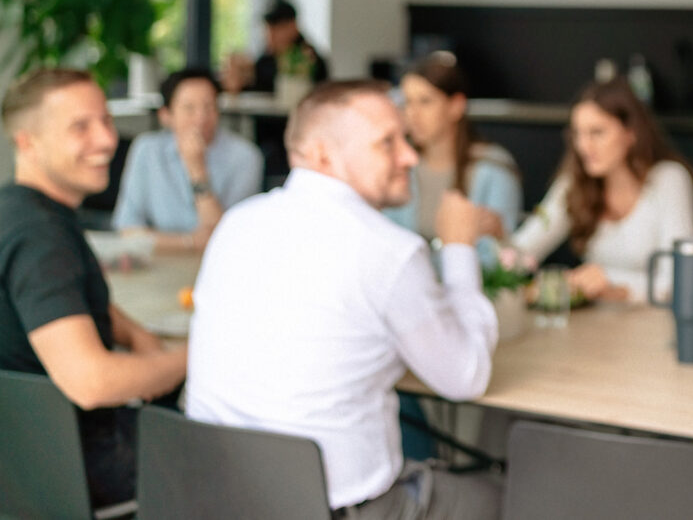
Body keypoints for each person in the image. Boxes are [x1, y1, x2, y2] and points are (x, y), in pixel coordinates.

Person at [185, 80, 501, 518]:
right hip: (330, 508)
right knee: (504, 496)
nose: (409, 156)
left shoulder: (237, 223)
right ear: (321, 153)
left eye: (405, 139)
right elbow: (466, 376)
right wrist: (461, 246)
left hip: (216, 497)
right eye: (387, 143)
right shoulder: (387, 251)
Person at [0, 68, 188, 508]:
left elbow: (64, 301)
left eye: (105, 121)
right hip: (73, 466)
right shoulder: (41, 238)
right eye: (80, 127)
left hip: (26, 453)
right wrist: (193, 355)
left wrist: (134, 334)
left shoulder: (17, 209)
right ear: (27, 141)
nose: (107, 140)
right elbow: (92, 382)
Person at [510, 76, 693, 303]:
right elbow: (521, 252)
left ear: (631, 133)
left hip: (653, 326)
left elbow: (681, 282)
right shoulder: (574, 183)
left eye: (597, 132)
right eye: (578, 134)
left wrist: (611, 281)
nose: (584, 146)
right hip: (596, 326)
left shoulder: (669, 179)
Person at [385, 52, 521, 270]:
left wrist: (499, 234)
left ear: (456, 105)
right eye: (407, 102)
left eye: (425, 101)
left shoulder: (493, 167)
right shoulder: (399, 164)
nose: (412, 114)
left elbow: (504, 263)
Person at [112, 67, 264, 252]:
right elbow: (127, 230)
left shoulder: (245, 157)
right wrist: (189, 242)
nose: (201, 118)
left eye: (209, 107)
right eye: (189, 108)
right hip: (159, 266)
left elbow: (226, 238)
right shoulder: (146, 150)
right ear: (165, 115)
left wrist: (197, 169)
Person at [221, 0, 330, 95]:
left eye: (276, 28)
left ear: (292, 26)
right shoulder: (267, 58)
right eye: (267, 28)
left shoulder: (310, 59)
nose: (270, 35)